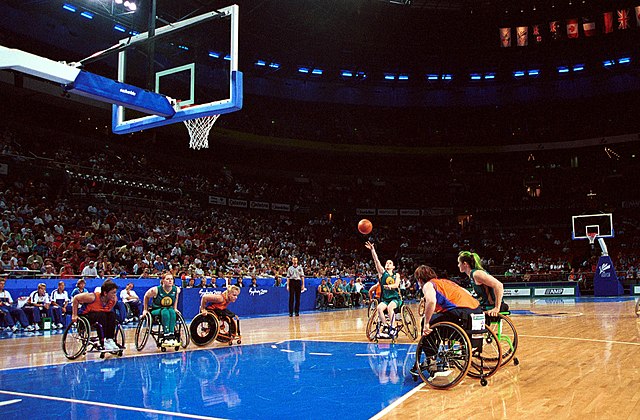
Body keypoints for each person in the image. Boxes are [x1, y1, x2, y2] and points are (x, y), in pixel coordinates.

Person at [414, 264, 482, 336]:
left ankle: (428, 347)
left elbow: (431, 302)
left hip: (461, 313)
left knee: (429, 320)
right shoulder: (446, 282)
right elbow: (468, 293)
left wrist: (426, 323)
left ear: (420, 280)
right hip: (477, 310)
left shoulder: (428, 284)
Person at [72, 279, 121, 351]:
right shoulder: (92, 297)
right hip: (86, 317)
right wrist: (74, 315)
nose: (114, 295)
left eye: (115, 293)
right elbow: (76, 298)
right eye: (112, 293)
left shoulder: (113, 300)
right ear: (105, 293)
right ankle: (102, 340)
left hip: (99, 317)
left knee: (111, 315)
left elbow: (108, 311)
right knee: (101, 315)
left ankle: (109, 339)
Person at [365, 241, 401, 338]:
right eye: (387, 263)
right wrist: (372, 250)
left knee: (390, 307)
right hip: (385, 299)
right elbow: (376, 261)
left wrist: (390, 286)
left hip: (395, 298)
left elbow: (397, 284)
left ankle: (393, 328)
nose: (388, 264)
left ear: (393, 267)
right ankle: (385, 325)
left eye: (390, 263)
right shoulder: (382, 273)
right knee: (379, 308)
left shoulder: (396, 275)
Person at [458, 251, 507, 317]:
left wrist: (496, 308)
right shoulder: (472, 275)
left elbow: (499, 286)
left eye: (459, 263)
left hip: (492, 307)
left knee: (461, 314)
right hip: (484, 305)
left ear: (465, 264)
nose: (458, 265)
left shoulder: (477, 274)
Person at [143, 273, 181, 347]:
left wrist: (175, 308)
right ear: (163, 280)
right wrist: (145, 309)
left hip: (169, 308)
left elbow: (176, 298)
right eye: (167, 279)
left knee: (172, 312)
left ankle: (171, 334)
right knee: (165, 311)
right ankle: (166, 335)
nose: (170, 281)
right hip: (156, 309)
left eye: (171, 279)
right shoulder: (155, 290)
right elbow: (146, 297)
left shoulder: (176, 289)